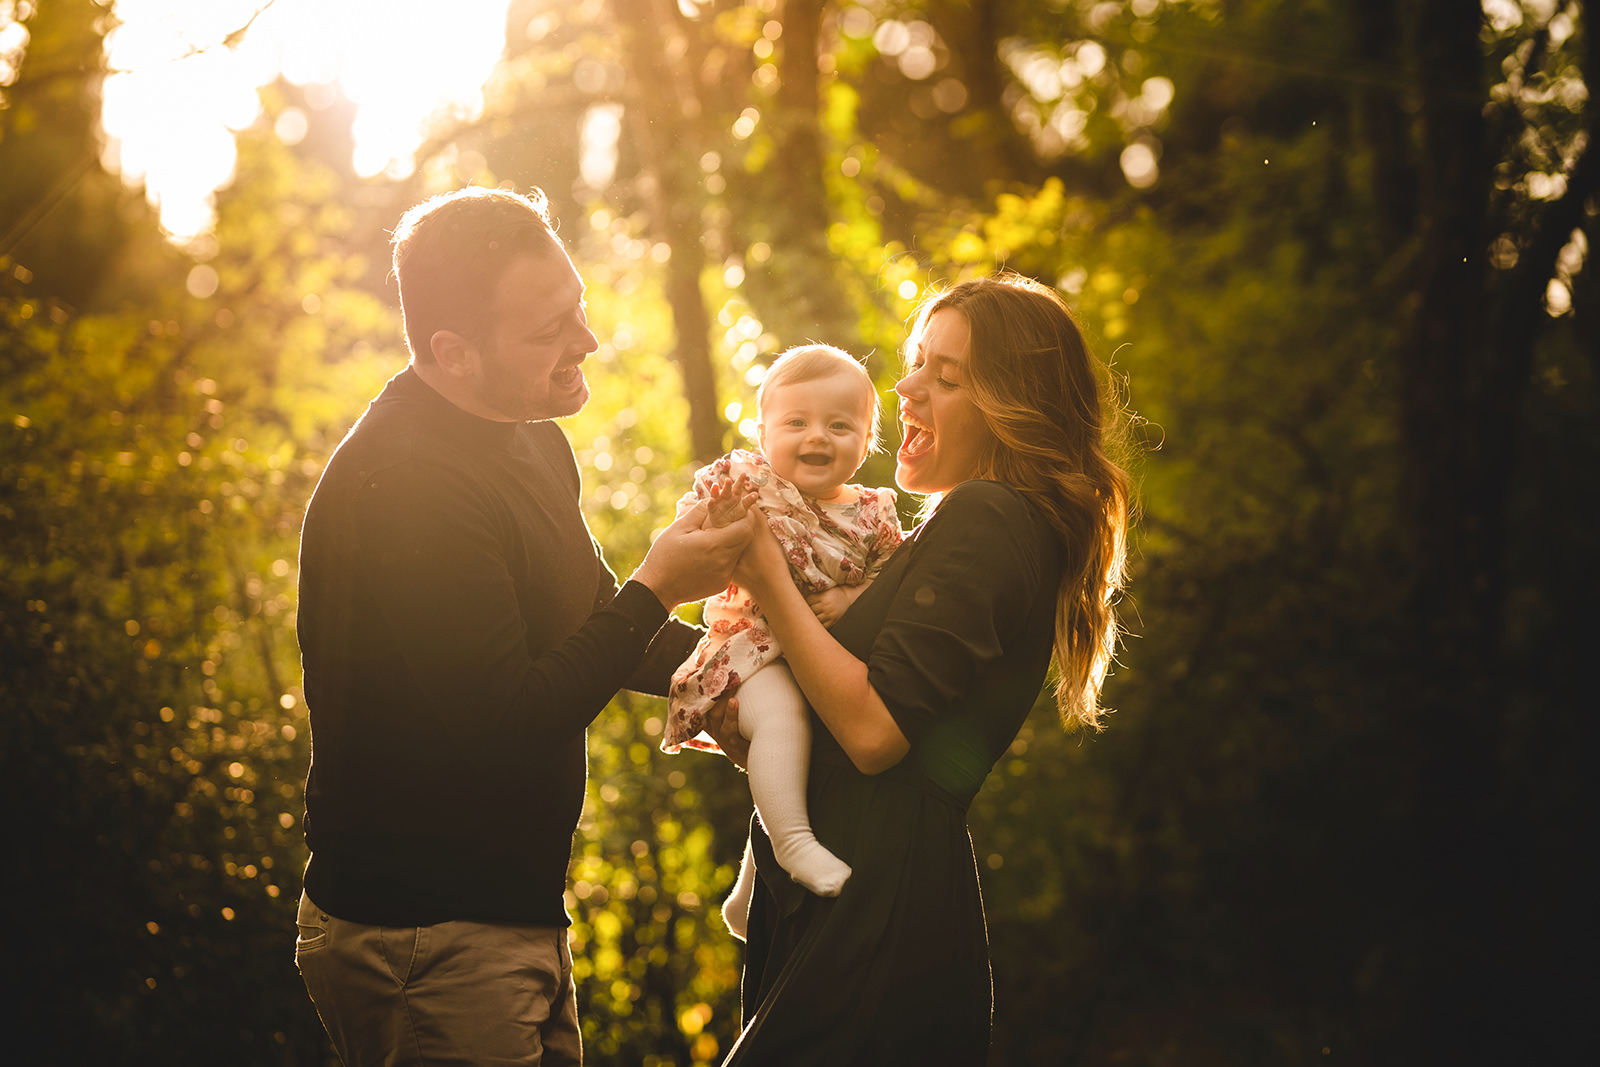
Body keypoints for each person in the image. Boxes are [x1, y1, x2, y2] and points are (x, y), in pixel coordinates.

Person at [291, 186, 754, 1067]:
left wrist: (756, 662)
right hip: (421, 936)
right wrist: (659, 583)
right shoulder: (411, 485)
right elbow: (504, 721)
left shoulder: (528, 433)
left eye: (576, 307)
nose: (586, 341)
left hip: (508, 913)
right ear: (451, 352)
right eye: (549, 330)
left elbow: (594, 620)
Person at [706, 273, 1133, 1065]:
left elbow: (873, 732)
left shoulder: (990, 517)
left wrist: (765, 573)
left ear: (1012, 406)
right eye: (914, 364)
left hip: (879, 909)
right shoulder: (961, 527)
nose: (904, 389)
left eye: (946, 376)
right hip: (849, 894)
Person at [663, 345, 903, 922]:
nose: (816, 436)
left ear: (867, 440)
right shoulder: (745, 481)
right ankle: (793, 845)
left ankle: (751, 887)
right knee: (781, 720)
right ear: (764, 432)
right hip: (748, 652)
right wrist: (721, 521)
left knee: (805, 758)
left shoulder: (875, 513)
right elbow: (687, 543)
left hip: (822, 662)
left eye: (839, 425)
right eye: (796, 422)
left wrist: (851, 597)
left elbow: (893, 581)